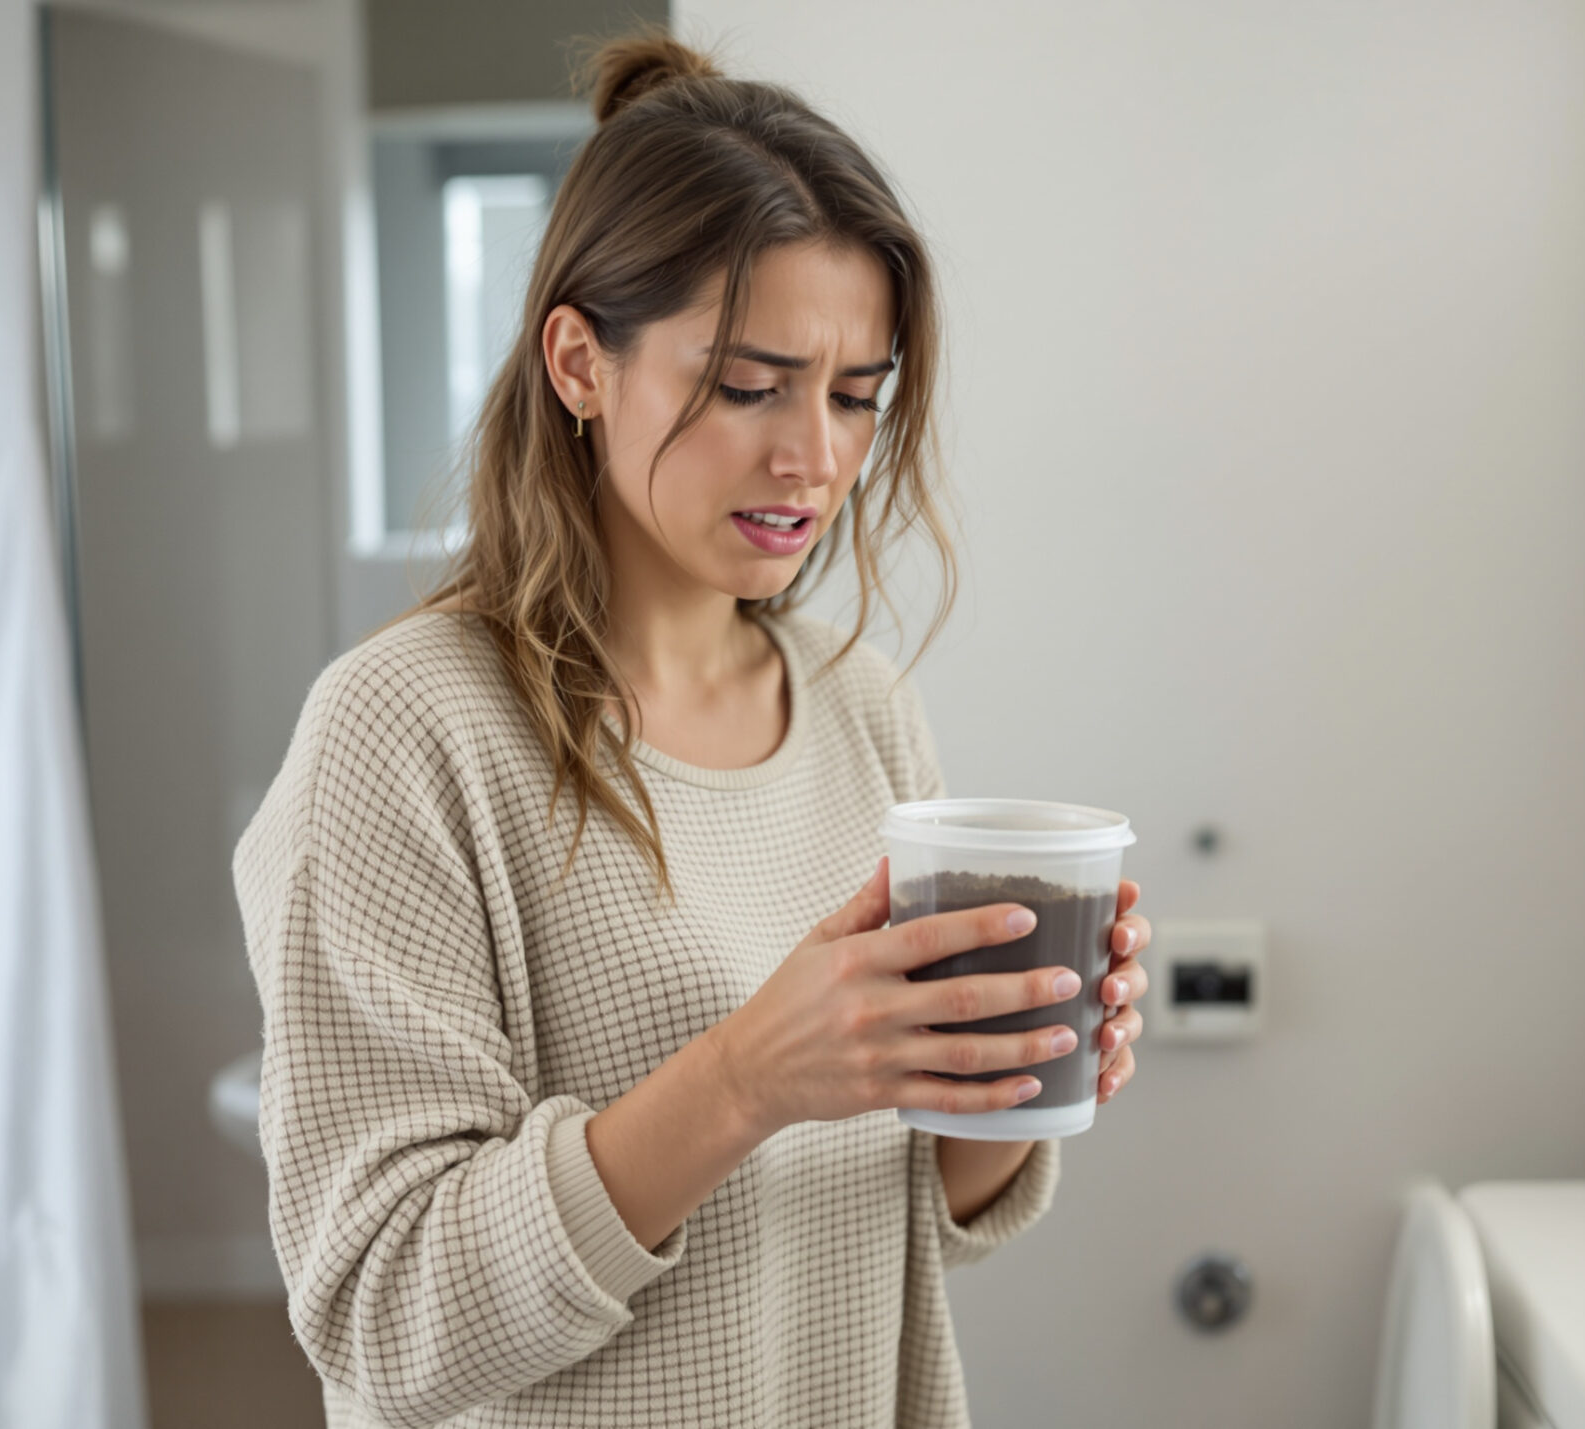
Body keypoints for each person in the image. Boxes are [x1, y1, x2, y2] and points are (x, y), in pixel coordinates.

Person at [231, 28, 1149, 1428]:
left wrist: (1007, 1058)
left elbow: (910, 1220)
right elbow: (382, 1315)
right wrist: (744, 1075)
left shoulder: (864, 710)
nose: (816, 457)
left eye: (857, 397)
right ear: (581, 362)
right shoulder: (407, 730)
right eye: (747, 384)